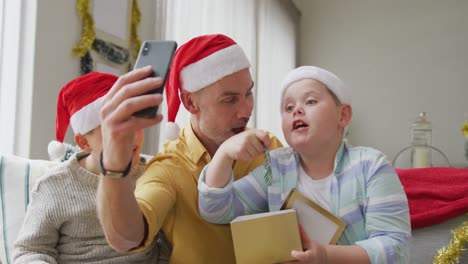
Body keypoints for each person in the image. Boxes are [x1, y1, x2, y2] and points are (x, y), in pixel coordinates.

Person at [96, 34, 283, 264]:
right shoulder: (170, 167)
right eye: (230, 100)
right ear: (190, 103)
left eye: (249, 94)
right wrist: (114, 162)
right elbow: (125, 238)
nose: (246, 111)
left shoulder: (269, 146)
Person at [198, 66, 412, 263]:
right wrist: (224, 154)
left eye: (310, 101)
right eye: (288, 107)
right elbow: (216, 210)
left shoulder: (371, 166)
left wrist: (326, 256)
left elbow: (396, 247)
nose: (296, 111)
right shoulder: (275, 168)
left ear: (343, 115)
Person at [13, 72, 159, 263]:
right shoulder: (53, 186)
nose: (130, 137)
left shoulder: (154, 171)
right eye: (115, 131)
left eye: (135, 123)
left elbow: (167, 240)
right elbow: (29, 250)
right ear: (84, 142)